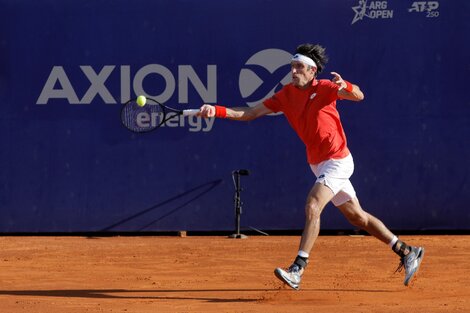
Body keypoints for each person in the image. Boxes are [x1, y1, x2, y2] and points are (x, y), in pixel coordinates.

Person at [198, 43, 424, 290]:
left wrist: (345, 86)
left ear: (312, 71)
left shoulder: (326, 88)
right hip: (317, 164)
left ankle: (297, 269)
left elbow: (359, 95)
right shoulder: (285, 95)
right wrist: (216, 110)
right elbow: (250, 113)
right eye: (292, 67)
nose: (294, 71)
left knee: (313, 205)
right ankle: (406, 251)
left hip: (337, 161)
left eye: (299, 67)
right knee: (357, 217)